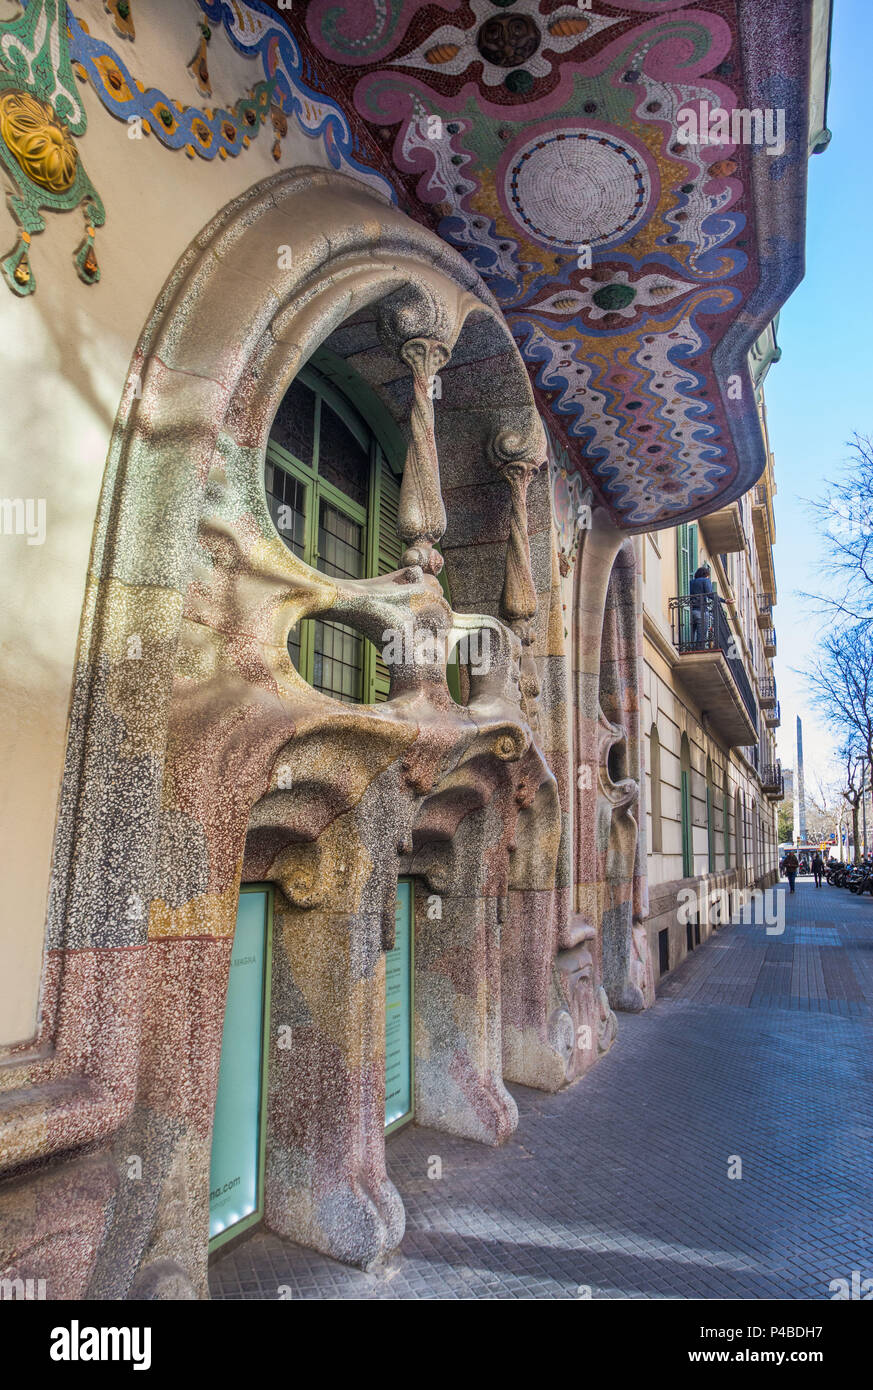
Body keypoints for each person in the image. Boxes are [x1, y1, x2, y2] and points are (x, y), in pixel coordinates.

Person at [689, 564, 714, 647]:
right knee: (701, 638)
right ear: (706, 575)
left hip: (690, 612)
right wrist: (724, 600)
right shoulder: (705, 581)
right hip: (701, 612)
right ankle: (699, 650)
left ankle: (690, 649)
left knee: (690, 636)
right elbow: (710, 595)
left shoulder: (691, 582)